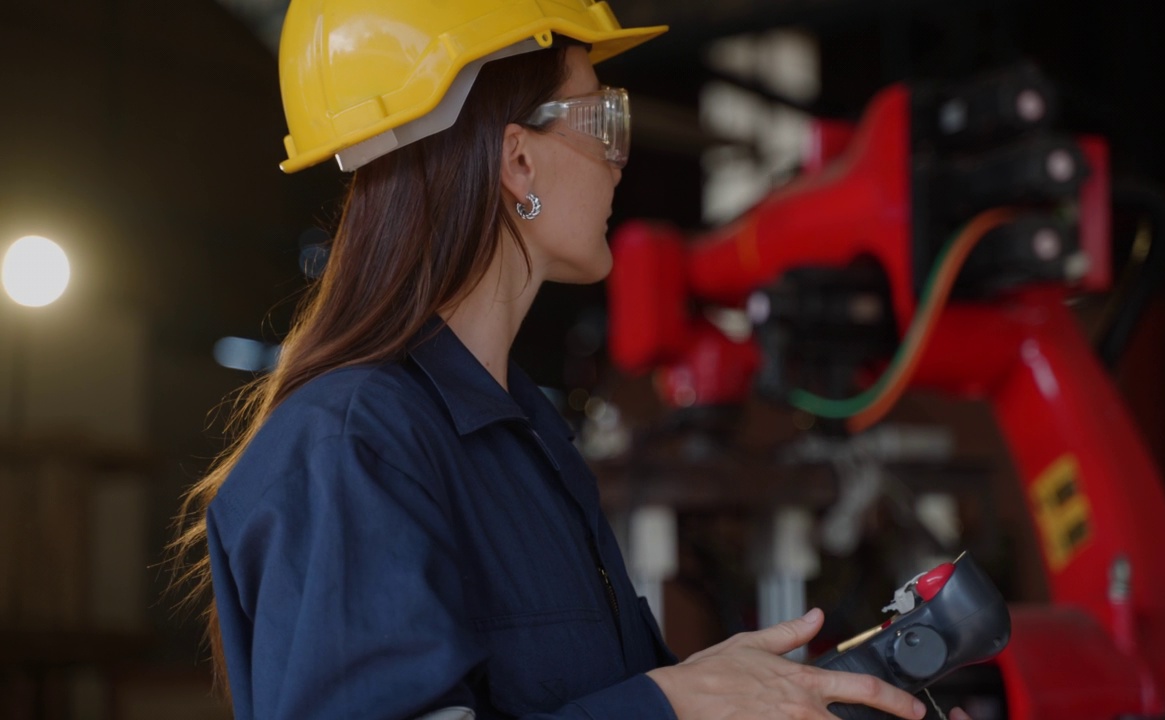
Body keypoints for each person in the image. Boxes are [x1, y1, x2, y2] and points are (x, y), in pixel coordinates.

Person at [172, 1, 974, 718]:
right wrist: (667, 703)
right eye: (603, 123)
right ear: (517, 161)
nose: (619, 158)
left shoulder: (525, 438)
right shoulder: (351, 445)